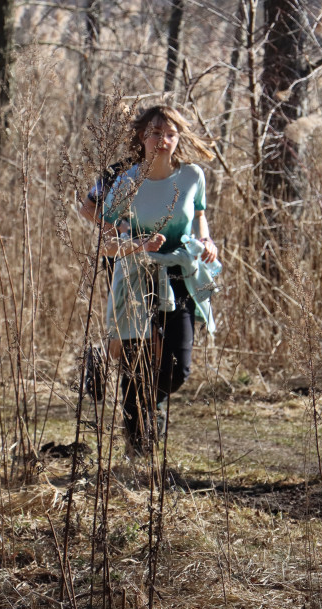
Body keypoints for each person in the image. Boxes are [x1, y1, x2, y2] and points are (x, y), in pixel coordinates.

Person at [97, 104, 220, 455]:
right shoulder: (126, 181)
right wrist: (137, 244)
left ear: (178, 138)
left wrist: (206, 241)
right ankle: (139, 451)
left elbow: (199, 217)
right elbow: (105, 244)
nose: (162, 140)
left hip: (179, 274)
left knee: (177, 368)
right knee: (137, 365)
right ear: (141, 136)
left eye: (169, 134)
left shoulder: (192, 175)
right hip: (135, 278)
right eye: (154, 132)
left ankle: (144, 409)